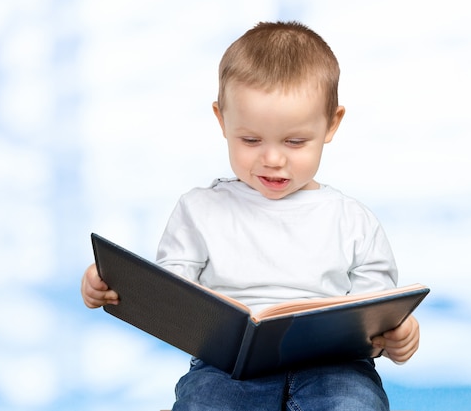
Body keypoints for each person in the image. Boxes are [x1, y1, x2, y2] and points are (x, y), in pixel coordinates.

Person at [81, 21, 420, 411]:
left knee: (354, 405)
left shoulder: (353, 220)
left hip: (335, 372)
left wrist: (399, 334)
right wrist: (110, 283)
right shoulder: (199, 210)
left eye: (295, 141)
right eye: (251, 140)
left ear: (331, 124)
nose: (273, 159)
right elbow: (168, 294)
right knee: (203, 403)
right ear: (222, 120)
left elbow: (377, 313)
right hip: (227, 370)